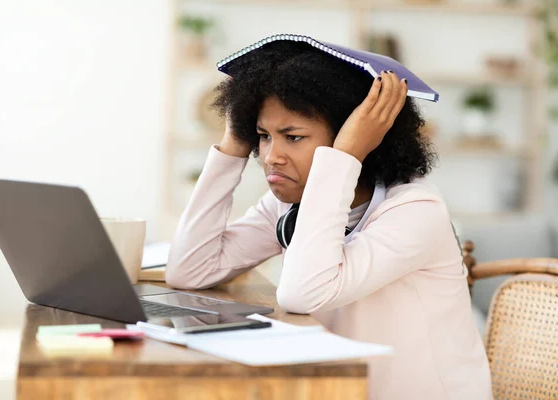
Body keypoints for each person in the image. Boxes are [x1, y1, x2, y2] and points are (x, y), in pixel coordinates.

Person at [165, 40, 492, 400]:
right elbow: (190, 269)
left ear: (364, 138)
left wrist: (345, 155)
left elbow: (303, 293)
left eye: (293, 137)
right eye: (263, 136)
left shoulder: (416, 210)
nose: (272, 156)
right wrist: (231, 147)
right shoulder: (296, 201)